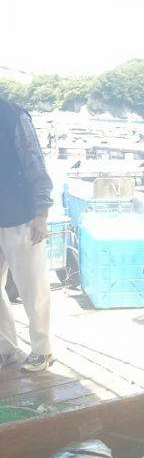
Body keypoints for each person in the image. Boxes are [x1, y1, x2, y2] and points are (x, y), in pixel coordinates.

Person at [0, 98, 54, 372]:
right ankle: (7, 348)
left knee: (33, 288)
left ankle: (42, 350)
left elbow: (37, 165)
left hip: (22, 218)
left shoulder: (13, 116)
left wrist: (41, 213)